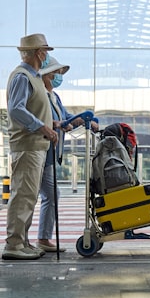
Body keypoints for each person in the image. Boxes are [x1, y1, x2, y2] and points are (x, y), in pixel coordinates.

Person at [3, 33, 60, 260]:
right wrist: (42, 127)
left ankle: (23, 242)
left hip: (36, 147)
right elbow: (16, 109)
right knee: (23, 195)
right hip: (28, 145)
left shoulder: (33, 77)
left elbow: (29, 108)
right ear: (38, 53)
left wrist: (50, 124)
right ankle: (14, 245)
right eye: (45, 51)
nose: (46, 55)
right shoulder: (22, 76)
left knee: (29, 196)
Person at [36, 56, 96, 252]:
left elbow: (66, 116)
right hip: (42, 151)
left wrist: (85, 120)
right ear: (45, 75)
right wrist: (58, 124)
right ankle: (40, 239)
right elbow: (42, 119)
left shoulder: (54, 97)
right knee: (48, 195)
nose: (57, 76)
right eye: (55, 72)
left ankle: (41, 239)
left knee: (48, 195)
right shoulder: (40, 95)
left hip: (52, 153)